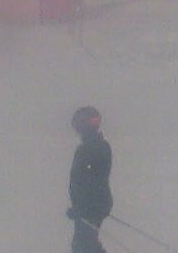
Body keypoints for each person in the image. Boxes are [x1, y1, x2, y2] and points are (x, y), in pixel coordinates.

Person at [67, 106, 113, 253]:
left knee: (84, 245)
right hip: (90, 204)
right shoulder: (90, 147)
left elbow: (94, 180)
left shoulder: (95, 147)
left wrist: (83, 206)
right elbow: (81, 180)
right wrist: (78, 205)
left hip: (92, 205)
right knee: (84, 244)